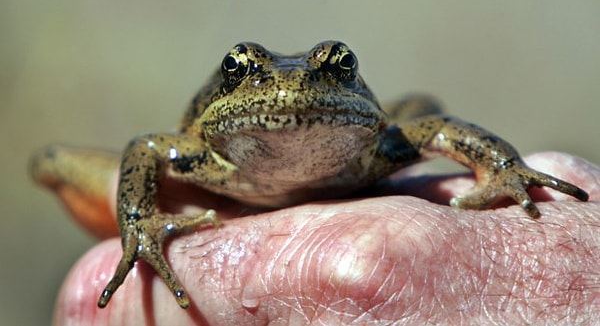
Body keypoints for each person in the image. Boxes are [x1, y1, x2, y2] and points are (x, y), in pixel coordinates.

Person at [52, 152, 599, 325]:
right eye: (244, 72)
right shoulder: (196, 155)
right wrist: (139, 219)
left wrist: (504, 167)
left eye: (333, 70)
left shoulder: (378, 143)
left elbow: (433, 121)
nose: (292, 92)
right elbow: (146, 147)